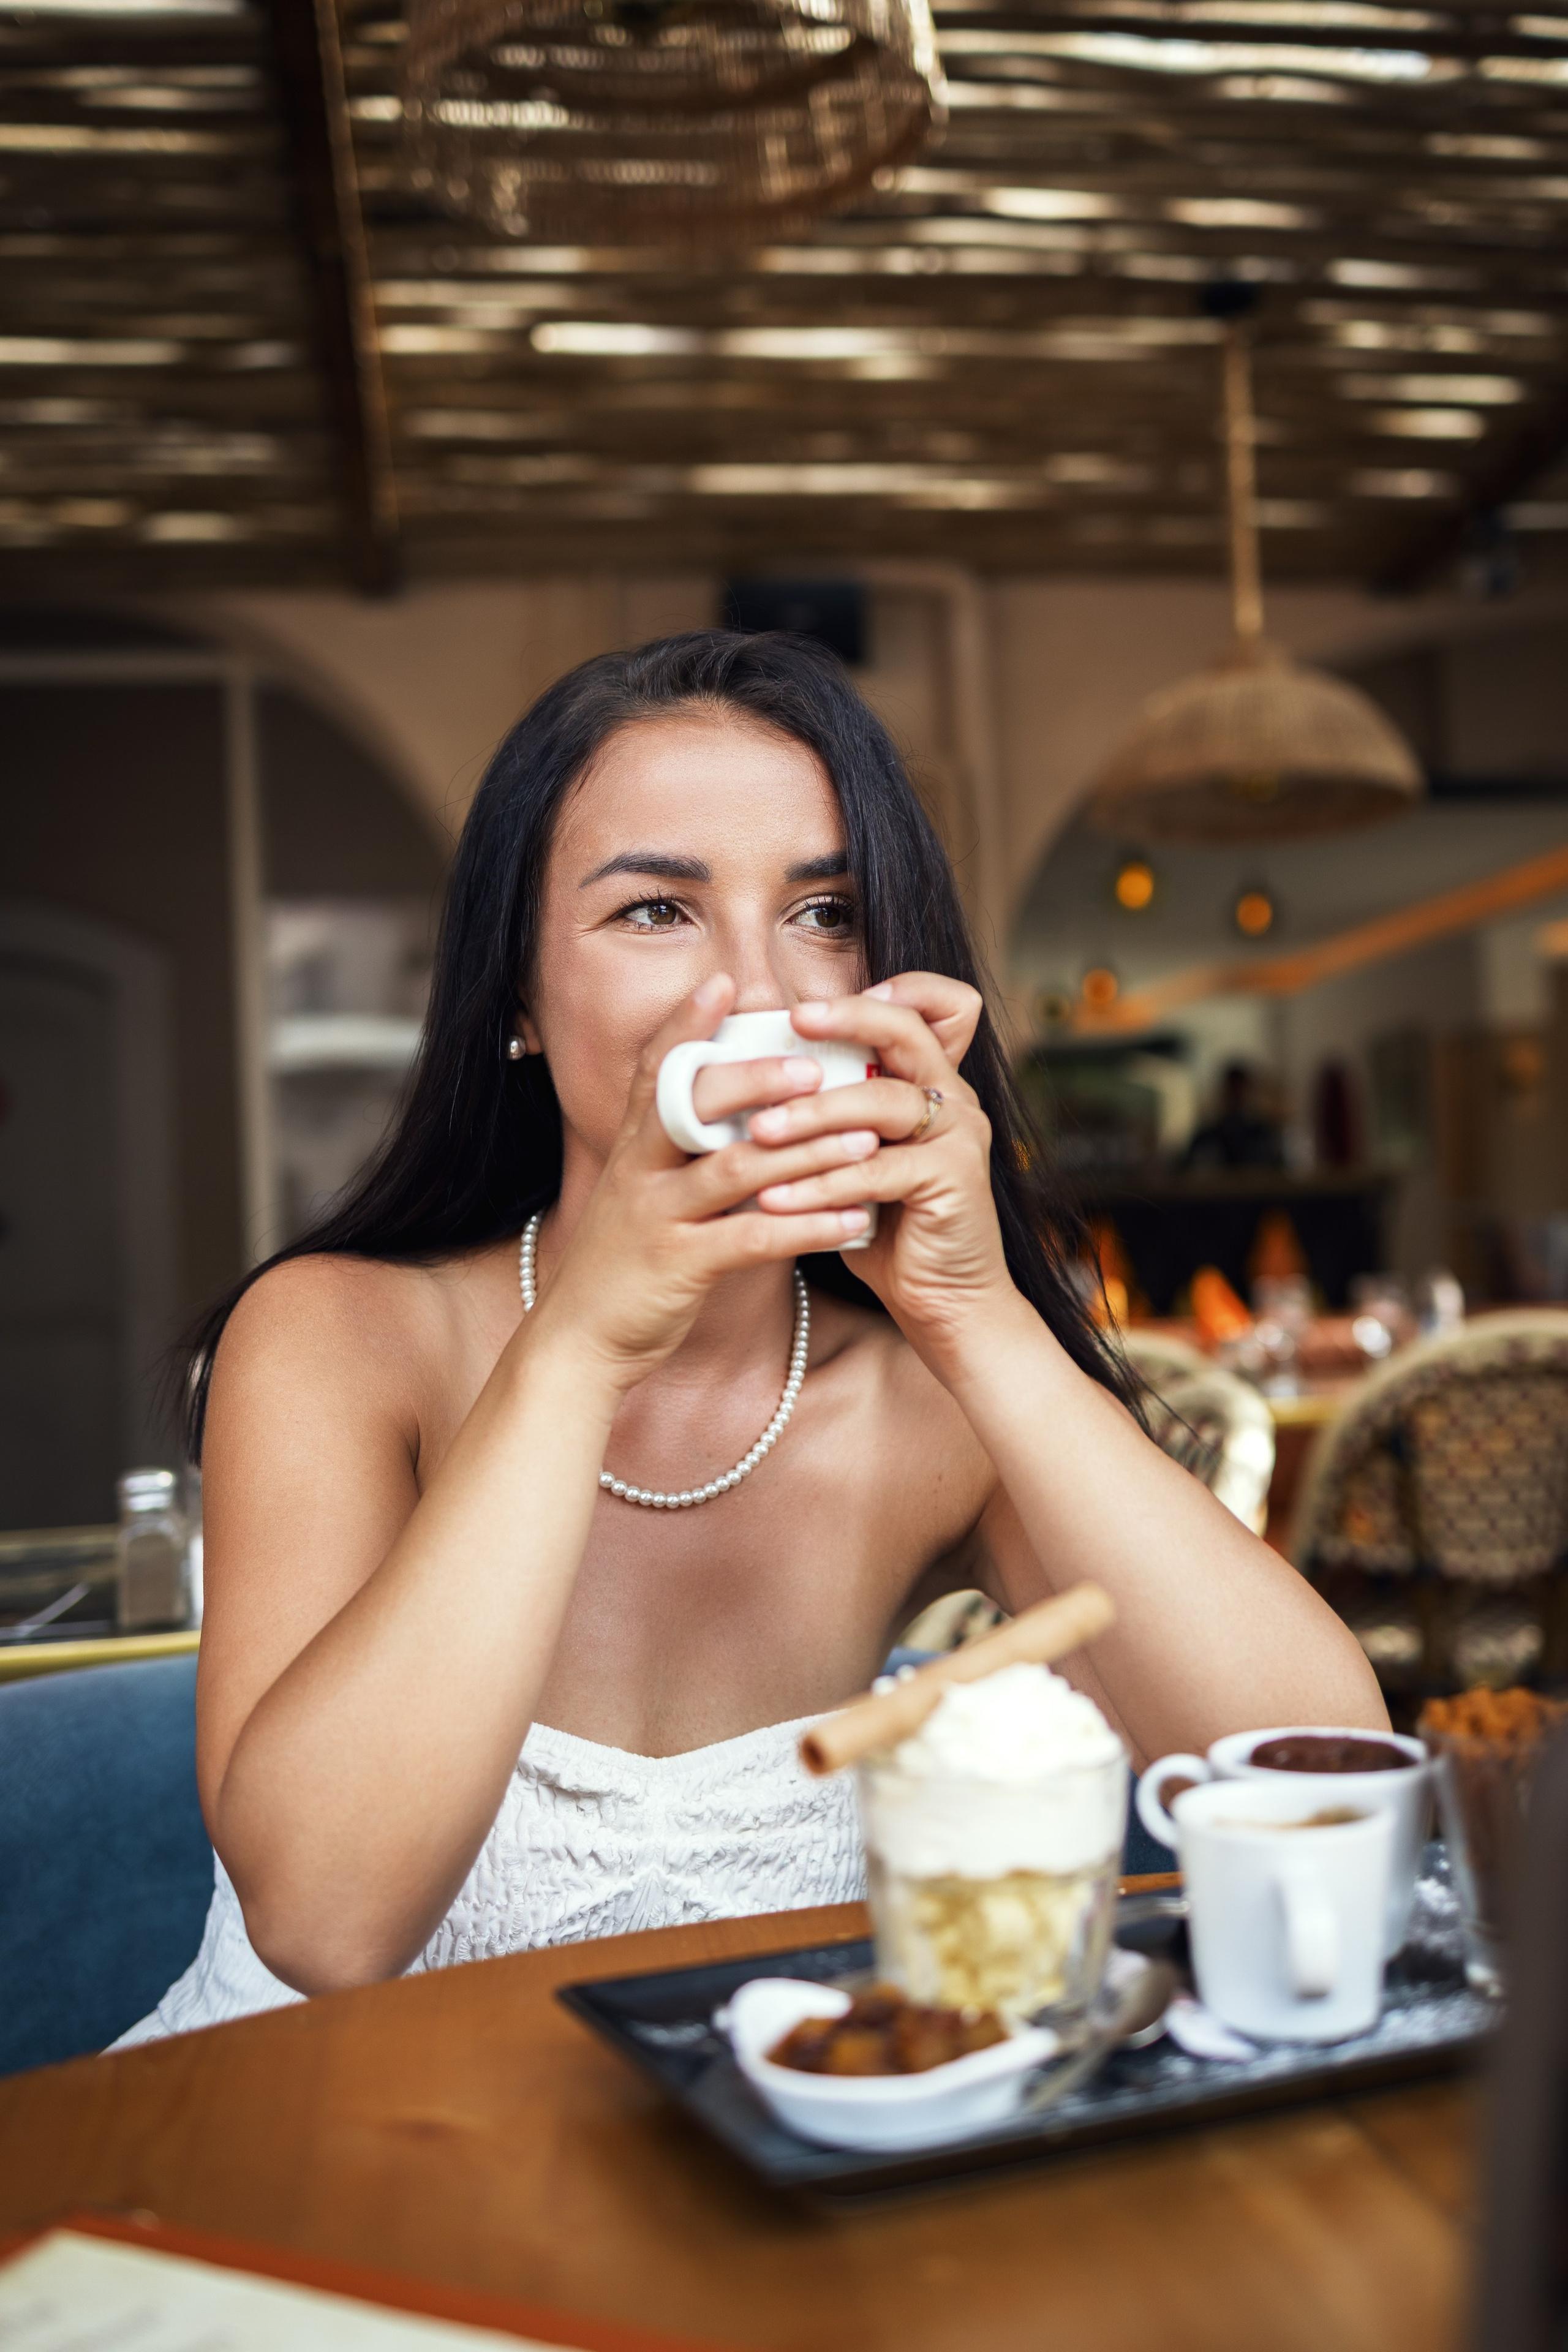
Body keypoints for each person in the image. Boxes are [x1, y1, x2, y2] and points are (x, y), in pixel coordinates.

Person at [119, 632, 1384, 2041]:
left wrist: (976, 1318)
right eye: (655, 912)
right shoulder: (338, 1336)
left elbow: (1305, 1778)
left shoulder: (924, 1397)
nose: (759, 992)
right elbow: (324, 1923)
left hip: (743, 2186)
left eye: (824, 910)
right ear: (517, 1002)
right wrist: (583, 1345)